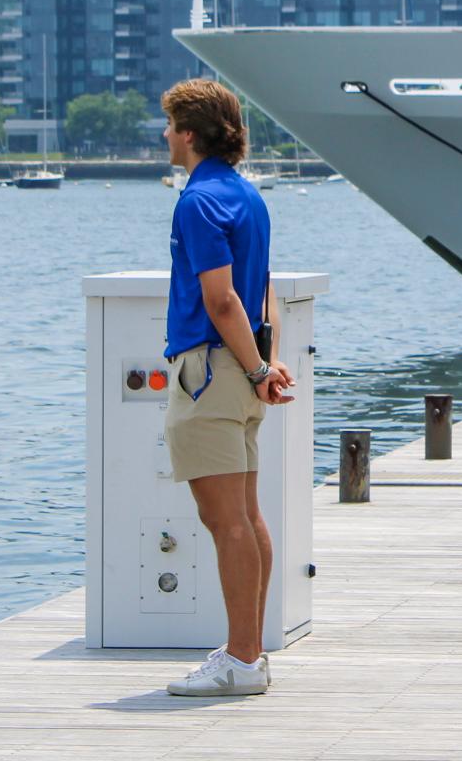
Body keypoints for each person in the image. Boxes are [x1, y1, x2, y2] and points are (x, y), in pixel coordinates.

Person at [159, 79, 295, 697]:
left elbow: (221, 298)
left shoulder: (197, 201)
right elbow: (263, 290)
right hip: (240, 372)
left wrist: (258, 370)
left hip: (212, 372)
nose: (165, 137)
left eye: (170, 127)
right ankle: (249, 652)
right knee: (245, 514)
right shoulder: (248, 196)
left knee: (224, 520)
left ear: (190, 133)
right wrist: (264, 365)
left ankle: (241, 660)